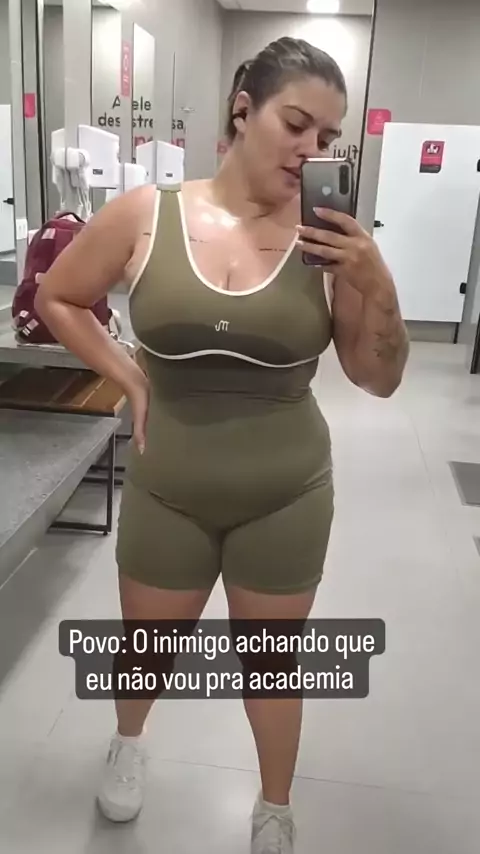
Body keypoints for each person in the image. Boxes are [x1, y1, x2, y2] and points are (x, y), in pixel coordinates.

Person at [36, 36, 409, 854]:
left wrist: (375, 282)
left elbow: (377, 378)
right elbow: (58, 295)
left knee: (272, 663)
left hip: (286, 493)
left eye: (328, 138)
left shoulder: (328, 242)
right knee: (146, 649)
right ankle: (128, 742)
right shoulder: (147, 213)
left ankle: (275, 806)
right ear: (244, 110)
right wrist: (130, 379)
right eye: (296, 125)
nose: (311, 150)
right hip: (167, 484)